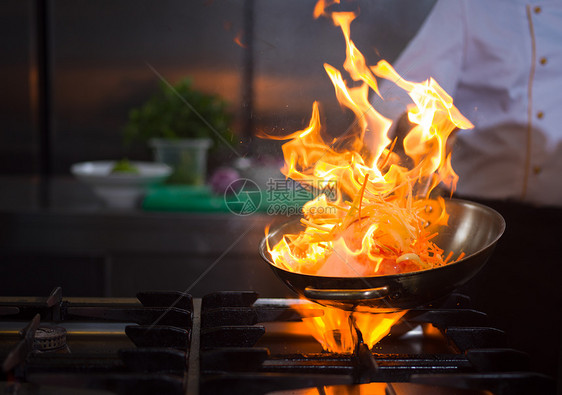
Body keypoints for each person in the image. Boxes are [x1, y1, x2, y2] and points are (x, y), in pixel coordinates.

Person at [374, 0, 562, 384]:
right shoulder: (470, 6)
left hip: (559, 227)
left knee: (545, 368)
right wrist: (409, 128)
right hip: (480, 235)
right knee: (474, 364)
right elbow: (398, 92)